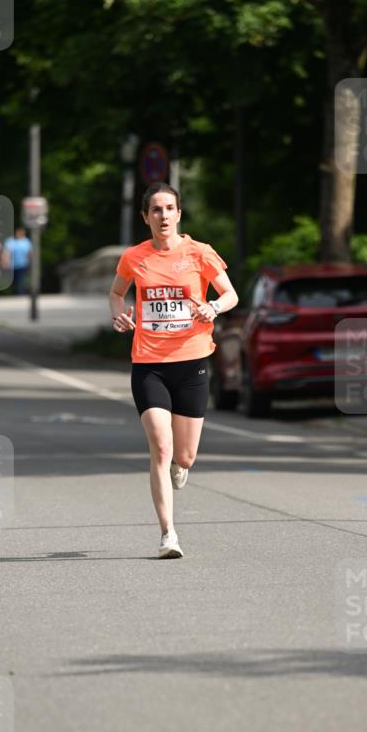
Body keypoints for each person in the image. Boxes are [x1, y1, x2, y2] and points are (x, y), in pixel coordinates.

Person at [109, 182, 238, 559]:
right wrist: (118, 314)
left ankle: (181, 467)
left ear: (179, 214)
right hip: (149, 365)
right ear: (145, 217)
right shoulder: (134, 257)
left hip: (192, 362)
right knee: (160, 448)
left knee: (185, 456)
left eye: (169, 209)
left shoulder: (200, 253)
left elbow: (230, 293)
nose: (163, 216)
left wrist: (213, 308)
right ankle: (168, 534)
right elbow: (117, 293)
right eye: (155, 210)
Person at [2, 227, 33, 295]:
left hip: (23, 264)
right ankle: (16, 293)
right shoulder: (10, 241)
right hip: (12, 265)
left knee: (20, 280)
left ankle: (20, 294)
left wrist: (30, 263)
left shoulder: (26, 242)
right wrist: (5, 262)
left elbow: (29, 253)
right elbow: (6, 253)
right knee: (14, 281)